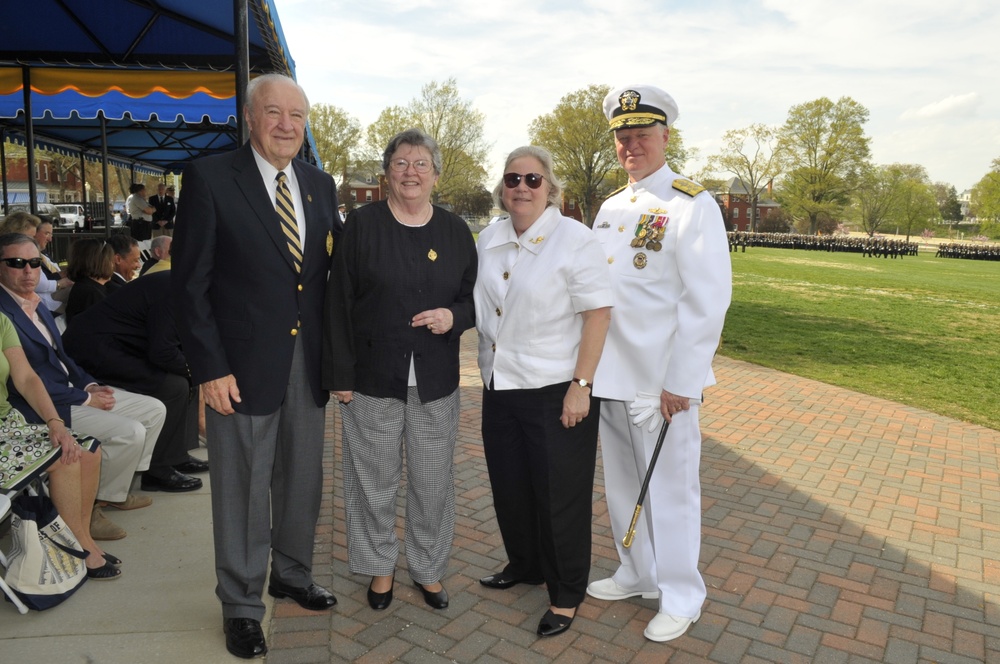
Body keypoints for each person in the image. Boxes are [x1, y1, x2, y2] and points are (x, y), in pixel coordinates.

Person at [172, 73, 342, 660]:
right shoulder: (211, 178)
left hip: (308, 362)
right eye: (274, 112)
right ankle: (242, 604)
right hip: (237, 367)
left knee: (300, 479)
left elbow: (328, 279)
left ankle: (291, 573)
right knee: (243, 488)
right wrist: (208, 368)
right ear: (249, 117)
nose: (286, 125)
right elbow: (189, 286)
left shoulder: (321, 185)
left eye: (297, 115)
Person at [586, 85, 732, 643]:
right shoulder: (610, 207)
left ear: (665, 137)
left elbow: (707, 298)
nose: (631, 145)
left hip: (659, 382)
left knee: (670, 491)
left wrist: (682, 381)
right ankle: (638, 572)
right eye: (623, 137)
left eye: (642, 135)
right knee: (624, 483)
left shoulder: (690, 203)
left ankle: (681, 593)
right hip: (611, 375)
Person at [323, 128, 477, 613]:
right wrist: (340, 376)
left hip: (436, 383)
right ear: (387, 173)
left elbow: (476, 298)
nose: (411, 172)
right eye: (401, 164)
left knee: (432, 482)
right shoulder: (362, 226)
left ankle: (428, 570)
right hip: (371, 380)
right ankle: (381, 569)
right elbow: (338, 302)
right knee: (373, 482)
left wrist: (456, 317)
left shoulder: (455, 231)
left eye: (421, 164)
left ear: (435, 174)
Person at [474, 146, 612, 637]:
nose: (522, 188)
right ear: (502, 187)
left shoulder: (574, 239)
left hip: (557, 389)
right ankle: (525, 564)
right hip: (500, 383)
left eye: (533, 179)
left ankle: (567, 592)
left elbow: (598, 313)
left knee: (560, 497)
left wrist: (581, 386)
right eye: (513, 179)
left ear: (550, 188)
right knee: (511, 486)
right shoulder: (489, 236)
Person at [0, 233, 165, 541]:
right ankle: (92, 509)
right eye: (16, 263)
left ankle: (110, 492)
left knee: (153, 409)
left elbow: (63, 357)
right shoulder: (4, 312)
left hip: (72, 390)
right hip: (42, 406)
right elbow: (23, 381)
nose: (28, 271)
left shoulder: (35, 304)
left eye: (34, 263)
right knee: (129, 432)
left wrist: (90, 384)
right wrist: (85, 398)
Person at [0, 313, 121, 580]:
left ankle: (82, 540)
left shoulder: (1, 321)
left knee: (88, 450)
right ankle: (77, 548)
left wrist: (54, 422)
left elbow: (27, 378)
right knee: (64, 457)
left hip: (8, 424)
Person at [63, 271, 205, 493]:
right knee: (174, 386)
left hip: (120, 344)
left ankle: (175, 456)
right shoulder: (177, 290)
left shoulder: (183, 283)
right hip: (94, 348)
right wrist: (200, 370)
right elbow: (163, 352)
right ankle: (156, 471)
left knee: (186, 377)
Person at [64, 238, 114, 324]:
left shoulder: (87, 288)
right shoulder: (91, 294)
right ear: (101, 262)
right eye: (111, 260)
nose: (113, 265)